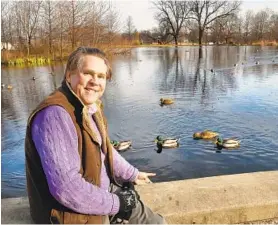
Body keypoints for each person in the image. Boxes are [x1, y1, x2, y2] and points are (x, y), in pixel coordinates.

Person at [25, 47, 166, 224]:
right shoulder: (54, 115)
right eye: (88, 73)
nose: (95, 81)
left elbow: (105, 150)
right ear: (69, 75)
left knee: (156, 222)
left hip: (100, 193)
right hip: (69, 213)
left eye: (101, 76)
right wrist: (117, 203)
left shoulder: (89, 107)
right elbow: (66, 188)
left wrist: (132, 174)